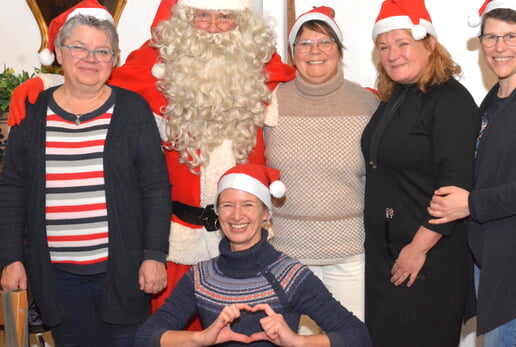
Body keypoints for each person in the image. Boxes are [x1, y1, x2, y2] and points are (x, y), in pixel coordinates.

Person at [8, 0, 296, 328]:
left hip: (244, 240)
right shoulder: (156, 63)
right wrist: (45, 83)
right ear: (186, 18)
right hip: (178, 245)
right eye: (203, 15)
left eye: (225, 16)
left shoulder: (261, 65)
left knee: (247, 332)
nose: (214, 26)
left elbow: (303, 83)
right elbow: (98, 79)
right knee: (172, 334)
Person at [0, 1, 171, 346]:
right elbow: (12, 190)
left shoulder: (133, 110)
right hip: (55, 278)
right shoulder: (32, 112)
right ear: (59, 53)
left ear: (114, 59)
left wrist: (154, 255)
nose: (90, 59)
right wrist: (10, 258)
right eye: (79, 47)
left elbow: (155, 188)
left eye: (102, 51)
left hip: (122, 274)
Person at [427, 0, 516, 345]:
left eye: (511, 37)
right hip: (495, 260)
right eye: (490, 38)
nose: (499, 48)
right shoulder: (495, 98)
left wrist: (472, 204)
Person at [134, 163, 371, 347]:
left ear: (266, 213)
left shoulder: (290, 275)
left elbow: (357, 335)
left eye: (248, 205)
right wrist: (203, 338)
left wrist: (297, 342)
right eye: (228, 205)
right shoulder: (201, 277)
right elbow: (145, 337)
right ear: (218, 212)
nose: (237, 216)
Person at [360, 0, 480, 345]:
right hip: (389, 255)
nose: (392, 54)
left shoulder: (450, 101)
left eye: (402, 43)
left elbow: (455, 187)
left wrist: (417, 248)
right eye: (383, 46)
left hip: (427, 260)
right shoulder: (396, 95)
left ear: (428, 44)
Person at [263, 6, 378, 331]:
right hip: (286, 253)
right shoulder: (271, 102)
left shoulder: (366, 104)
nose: (315, 51)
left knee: (348, 337)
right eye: (304, 43)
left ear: (339, 49)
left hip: (350, 253)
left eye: (324, 42)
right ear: (292, 52)